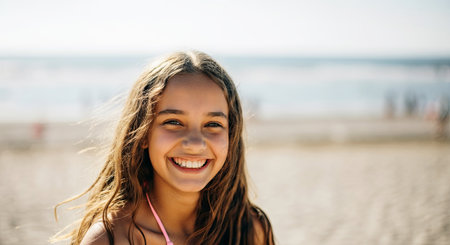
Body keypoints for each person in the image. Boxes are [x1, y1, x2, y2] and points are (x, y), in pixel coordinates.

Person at [53, 51, 275, 245]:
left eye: (213, 125)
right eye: (174, 122)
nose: (195, 143)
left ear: (231, 136)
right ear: (143, 133)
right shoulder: (111, 239)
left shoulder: (248, 230)